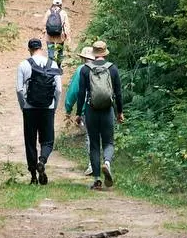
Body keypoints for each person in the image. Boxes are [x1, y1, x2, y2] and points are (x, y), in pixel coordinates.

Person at [76, 39, 124, 190]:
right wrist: (120, 112)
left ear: (94, 53)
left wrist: (78, 113)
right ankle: (107, 163)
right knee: (109, 142)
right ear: (105, 52)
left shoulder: (85, 69)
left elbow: (81, 93)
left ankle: (97, 180)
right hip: (107, 110)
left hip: (91, 110)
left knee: (95, 144)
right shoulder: (112, 69)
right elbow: (118, 93)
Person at [16, 37, 62, 185]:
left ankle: (33, 176)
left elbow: (19, 89)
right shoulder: (52, 64)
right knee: (47, 140)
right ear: (41, 48)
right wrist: (54, 105)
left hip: (30, 108)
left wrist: (24, 106)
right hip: (47, 108)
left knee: (30, 141)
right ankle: (42, 160)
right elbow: (59, 89)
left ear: (29, 49)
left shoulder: (23, 65)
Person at [65, 45, 96, 175]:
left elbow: (74, 91)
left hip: (87, 108)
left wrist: (68, 108)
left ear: (83, 58)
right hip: (104, 107)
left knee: (90, 136)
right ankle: (106, 162)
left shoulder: (81, 70)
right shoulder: (104, 67)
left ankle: (93, 165)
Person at [44, 0, 70, 67]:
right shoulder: (63, 13)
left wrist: (44, 31)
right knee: (60, 52)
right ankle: (58, 67)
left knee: (50, 53)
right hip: (60, 36)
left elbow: (44, 23)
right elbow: (67, 25)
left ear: (53, 3)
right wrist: (67, 36)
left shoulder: (48, 12)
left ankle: (50, 67)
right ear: (61, 4)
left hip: (49, 36)